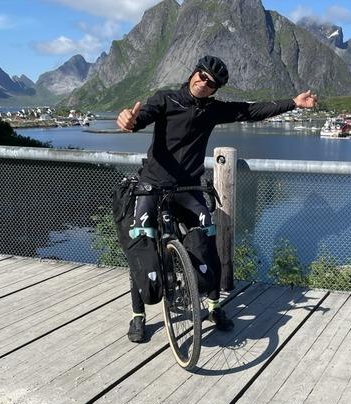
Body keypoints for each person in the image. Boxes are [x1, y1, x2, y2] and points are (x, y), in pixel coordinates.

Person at [117, 55, 317, 342]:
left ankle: (213, 306)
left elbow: (251, 111)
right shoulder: (166, 99)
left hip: (187, 188)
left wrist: (294, 103)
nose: (203, 82)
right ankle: (139, 315)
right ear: (193, 73)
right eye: (201, 75)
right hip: (152, 184)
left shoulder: (212, 110)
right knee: (142, 242)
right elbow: (140, 117)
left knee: (208, 238)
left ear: (215, 90)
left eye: (211, 83)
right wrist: (129, 120)